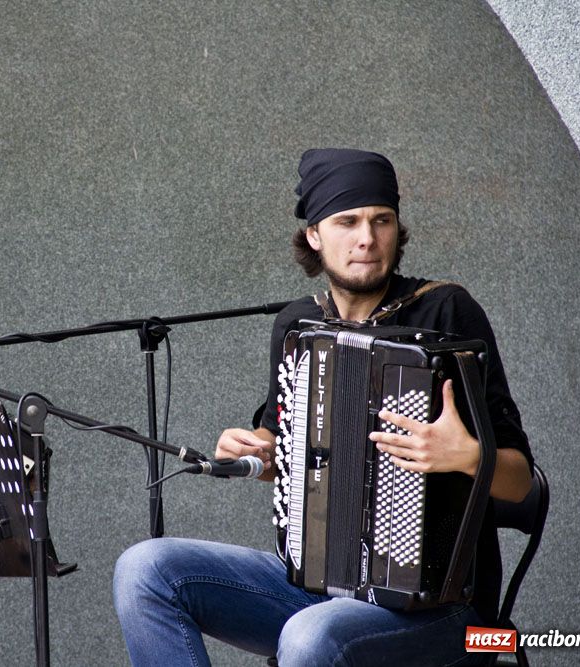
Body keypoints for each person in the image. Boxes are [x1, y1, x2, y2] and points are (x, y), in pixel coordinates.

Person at [112, 148, 534, 666]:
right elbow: (282, 449)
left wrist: (467, 456)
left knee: (310, 636)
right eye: (347, 222)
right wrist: (256, 452)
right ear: (314, 235)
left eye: (382, 220)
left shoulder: (446, 310)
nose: (367, 238)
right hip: (319, 590)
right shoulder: (299, 326)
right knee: (145, 570)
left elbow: (521, 482)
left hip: (448, 615)